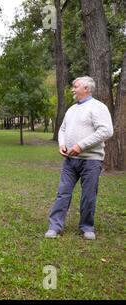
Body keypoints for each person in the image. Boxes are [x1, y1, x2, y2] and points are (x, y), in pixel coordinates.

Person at [45, 76, 113, 240]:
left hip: (91, 160)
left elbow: (106, 131)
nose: (73, 89)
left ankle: (87, 227)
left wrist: (80, 146)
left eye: (75, 86)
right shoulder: (72, 109)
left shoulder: (98, 107)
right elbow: (62, 129)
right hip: (70, 160)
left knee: (88, 195)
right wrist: (62, 144)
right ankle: (55, 226)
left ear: (86, 89)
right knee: (63, 193)